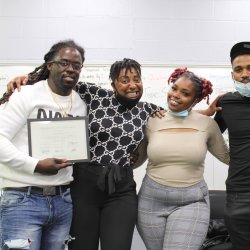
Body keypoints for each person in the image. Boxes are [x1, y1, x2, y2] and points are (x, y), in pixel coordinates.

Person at [3, 58, 163, 250]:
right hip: (84, 186)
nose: (132, 85)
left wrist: (206, 112)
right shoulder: (95, 94)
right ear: (113, 84)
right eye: (124, 80)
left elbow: (180, 115)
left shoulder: (149, 110)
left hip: (120, 189)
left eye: (137, 79)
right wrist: (28, 78)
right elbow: (60, 79)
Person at [0, 39, 87, 250]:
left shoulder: (81, 103)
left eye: (76, 66)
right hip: (23, 199)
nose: (71, 69)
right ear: (50, 65)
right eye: (64, 63)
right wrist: (36, 165)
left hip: (63, 201)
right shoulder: (26, 95)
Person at [136, 68, 230, 250]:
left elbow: (228, 158)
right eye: (174, 88)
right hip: (151, 201)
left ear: (196, 100)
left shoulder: (207, 125)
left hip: (191, 201)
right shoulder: (152, 120)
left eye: (185, 93)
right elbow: (137, 161)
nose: (175, 95)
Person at [213, 41, 250, 250]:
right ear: (233, 75)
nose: (245, 74)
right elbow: (205, 134)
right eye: (239, 69)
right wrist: (205, 113)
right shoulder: (226, 103)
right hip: (239, 196)